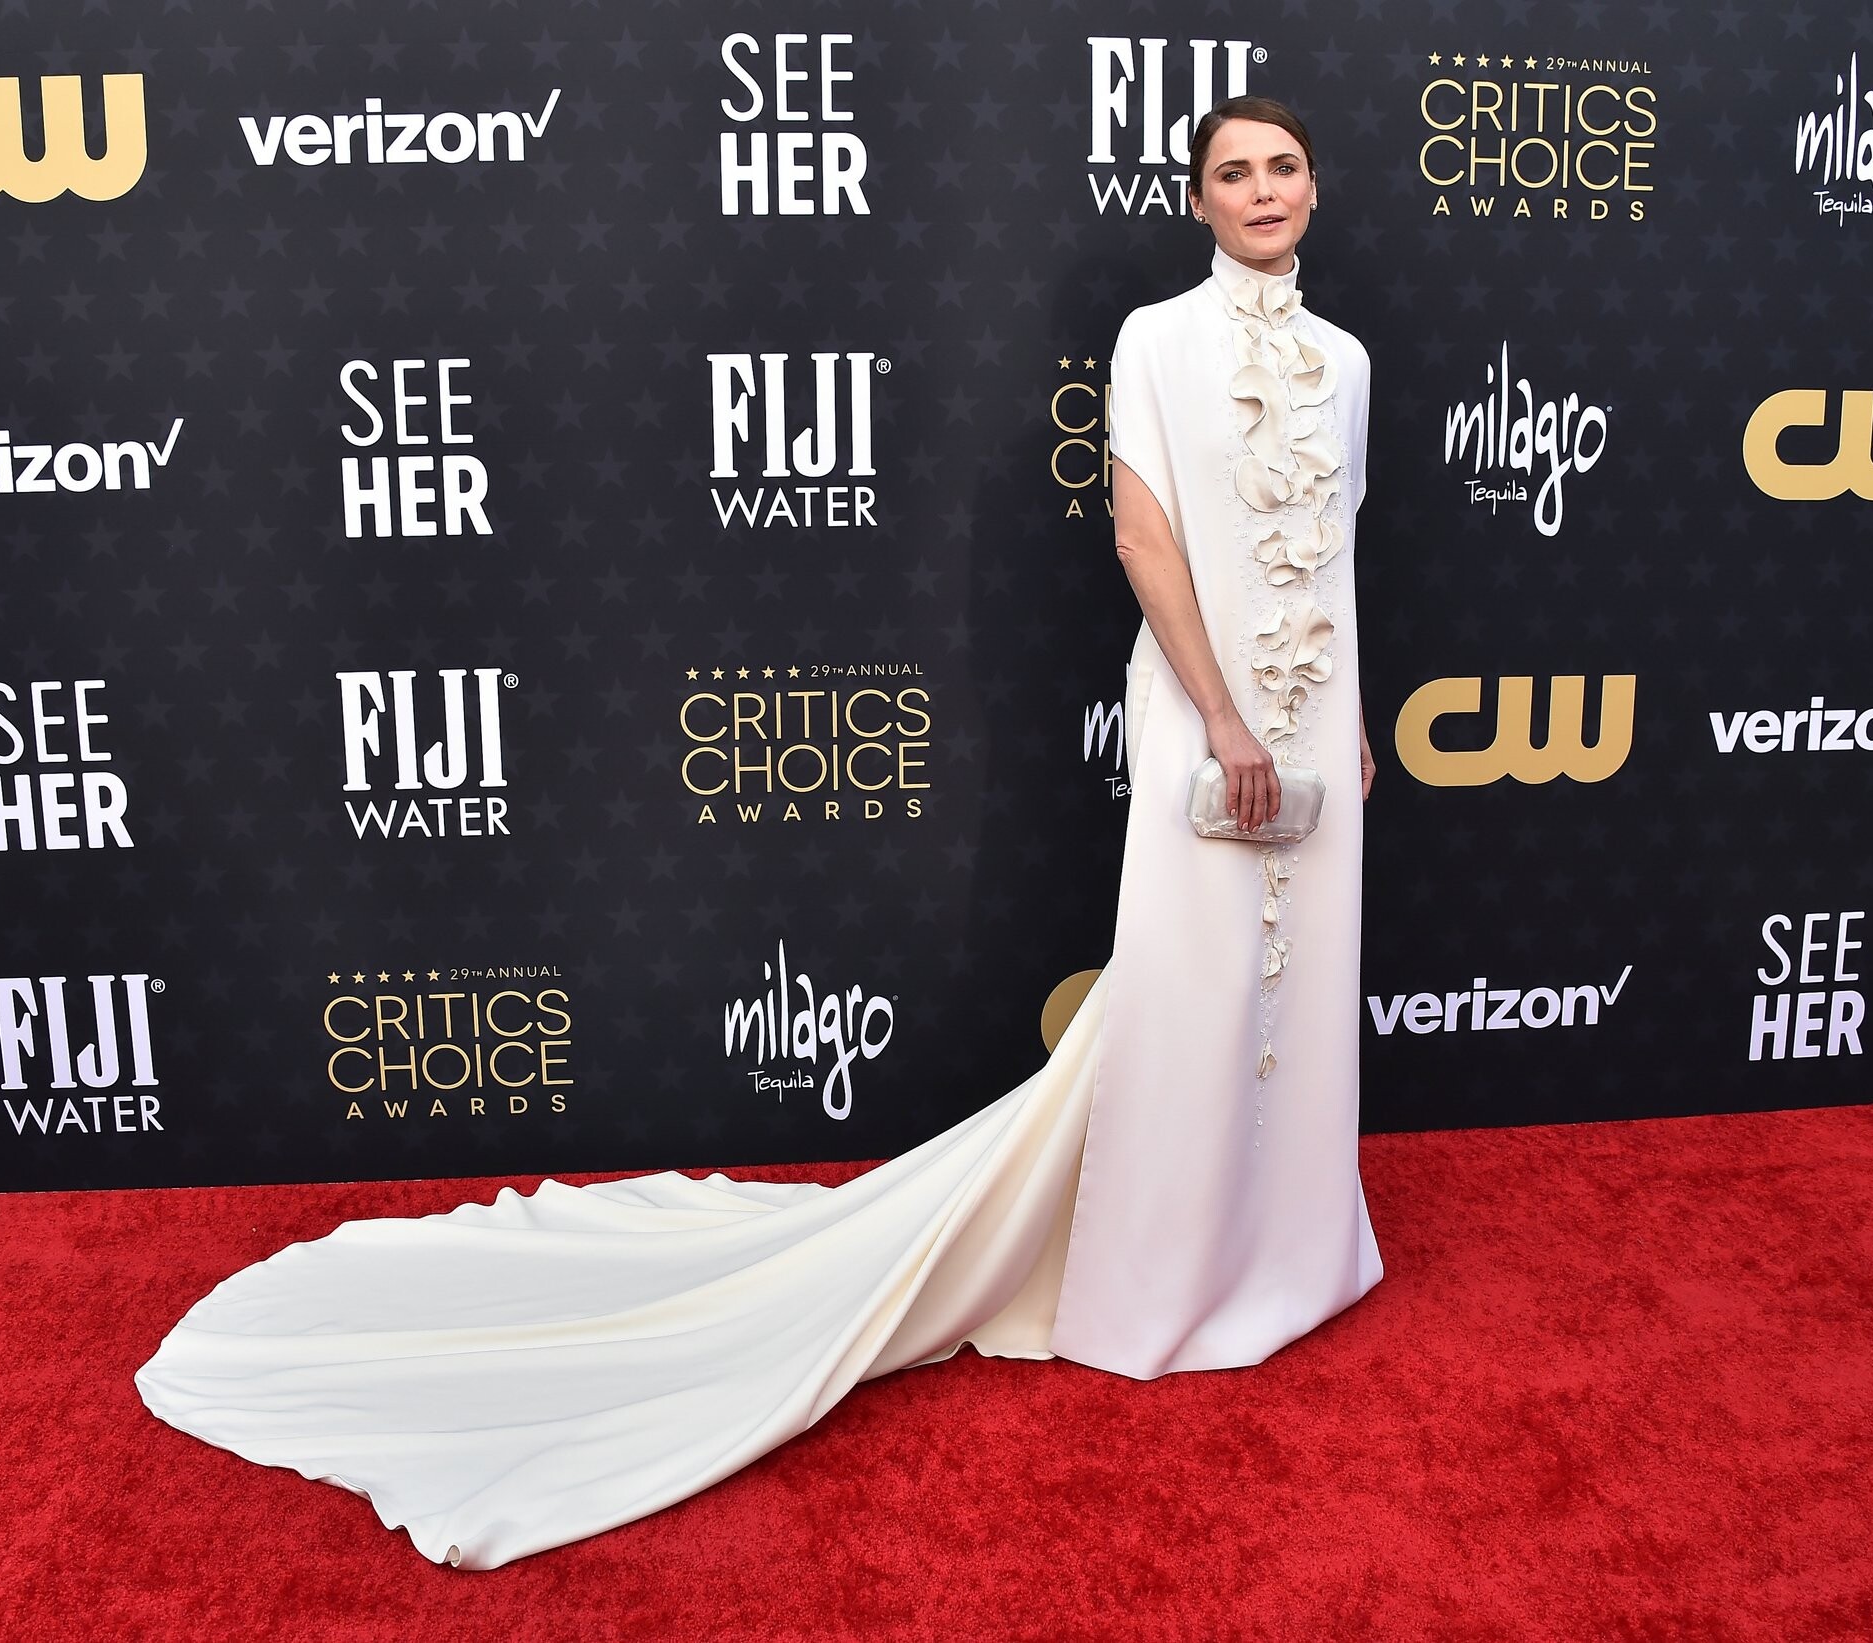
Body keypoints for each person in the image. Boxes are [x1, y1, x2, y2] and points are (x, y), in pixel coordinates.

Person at [136, 96, 1383, 1570]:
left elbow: (1337, 551)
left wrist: (1348, 721)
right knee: (1187, 986)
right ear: (1198, 199)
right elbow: (1142, 535)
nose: (1262, 190)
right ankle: (1162, 1279)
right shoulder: (1155, 339)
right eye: (1233, 172)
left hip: (1316, 719)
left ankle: (1285, 1254)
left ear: (1316, 187)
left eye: (1282, 168)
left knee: (1299, 990)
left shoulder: (1350, 361)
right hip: (1203, 712)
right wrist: (1223, 716)